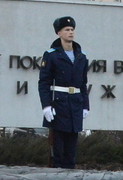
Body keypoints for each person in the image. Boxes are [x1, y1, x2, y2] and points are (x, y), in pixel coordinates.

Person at [38, 16, 91, 169]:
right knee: (58, 149)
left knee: (71, 149)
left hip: (75, 104)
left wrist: (85, 105)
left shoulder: (81, 56)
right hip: (59, 104)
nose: (71, 33)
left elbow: (83, 83)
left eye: (72, 30)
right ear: (59, 33)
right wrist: (46, 106)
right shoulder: (51, 55)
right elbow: (44, 83)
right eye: (67, 30)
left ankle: (70, 175)